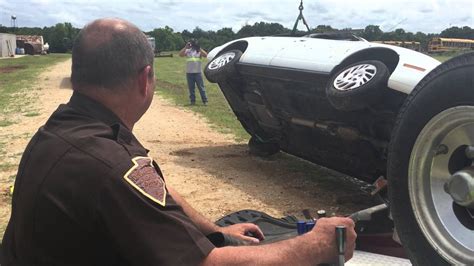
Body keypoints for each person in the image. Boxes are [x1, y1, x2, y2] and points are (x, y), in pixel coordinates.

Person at [2, 18, 356, 265]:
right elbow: (205, 264)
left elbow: (157, 188)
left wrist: (218, 231)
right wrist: (317, 245)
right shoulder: (109, 165)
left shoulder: (70, 127)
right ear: (146, 79)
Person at [179, 39, 208, 105]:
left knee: (201, 87)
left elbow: (206, 55)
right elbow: (180, 54)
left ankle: (205, 100)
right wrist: (185, 47)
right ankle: (192, 101)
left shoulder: (199, 51)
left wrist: (199, 48)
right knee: (191, 88)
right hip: (189, 72)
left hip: (198, 72)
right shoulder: (188, 50)